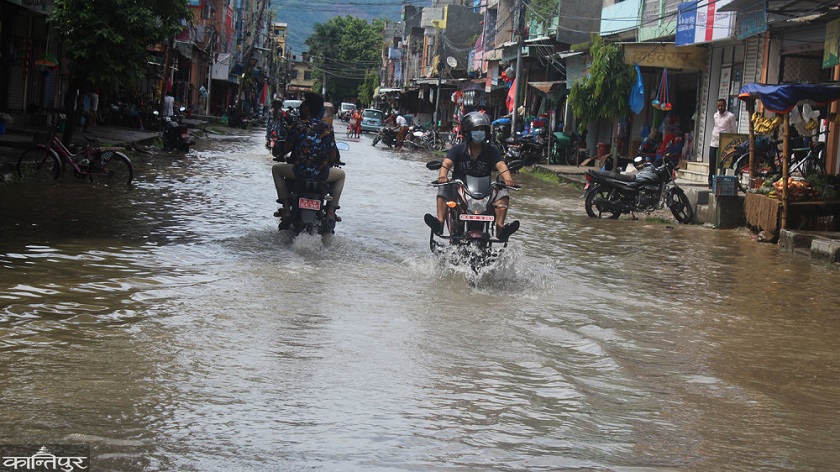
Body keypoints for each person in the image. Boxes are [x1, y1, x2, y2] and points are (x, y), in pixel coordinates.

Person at [423, 111, 520, 241]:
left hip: (484, 193)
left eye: (482, 129)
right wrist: (443, 176)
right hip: (461, 192)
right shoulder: (457, 150)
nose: (479, 133)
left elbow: (501, 165)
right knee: (443, 188)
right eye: (476, 130)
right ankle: (439, 223)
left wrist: (508, 179)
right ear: (467, 131)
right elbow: (446, 164)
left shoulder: (491, 150)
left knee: (502, 190)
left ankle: (500, 228)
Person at [271, 91, 345, 232]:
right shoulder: (327, 128)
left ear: (307, 109)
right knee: (341, 175)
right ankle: (331, 211)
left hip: (299, 173)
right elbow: (333, 154)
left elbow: (285, 148)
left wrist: (279, 153)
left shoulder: (298, 126)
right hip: (322, 174)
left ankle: (286, 209)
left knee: (276, 169)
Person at [709, 98, 737, 188]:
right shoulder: (715, 115)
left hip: (724, 143)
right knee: (712, 162)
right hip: (714, 142)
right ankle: (711, 182)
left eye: (721, 105)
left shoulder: (730, 116)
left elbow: (734, 130)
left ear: (725, 106)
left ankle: (721, 182)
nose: (720, 107)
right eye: (718, 106)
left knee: (723, 164)